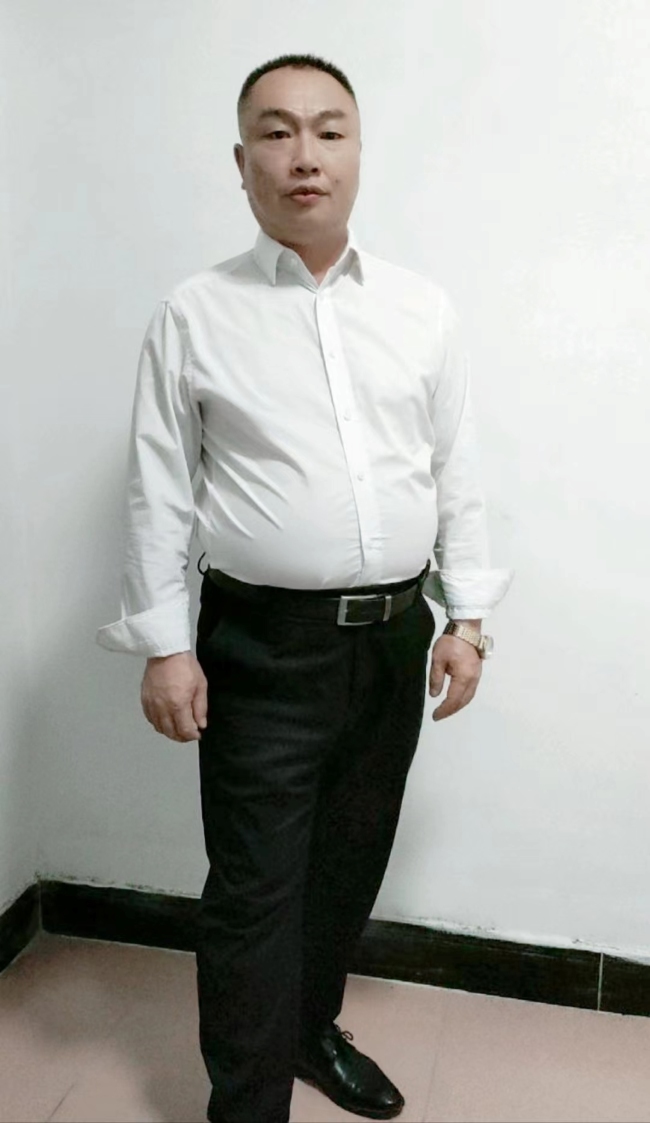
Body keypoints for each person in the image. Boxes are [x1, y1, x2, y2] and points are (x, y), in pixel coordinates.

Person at [97, 52, 513, 1123]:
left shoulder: (420, 309)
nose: (304, 156)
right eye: (276, 132)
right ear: (241, 162)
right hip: (261, 646)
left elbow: (455, 471)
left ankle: (307, 1029)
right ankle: (245, 1102)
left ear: (358, 152)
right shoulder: (194, 313)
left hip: (394, 638)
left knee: (347, 864)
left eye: (328, 131)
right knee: (255, 887)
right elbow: (157, 490)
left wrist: (467, 618)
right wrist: (165, 645)